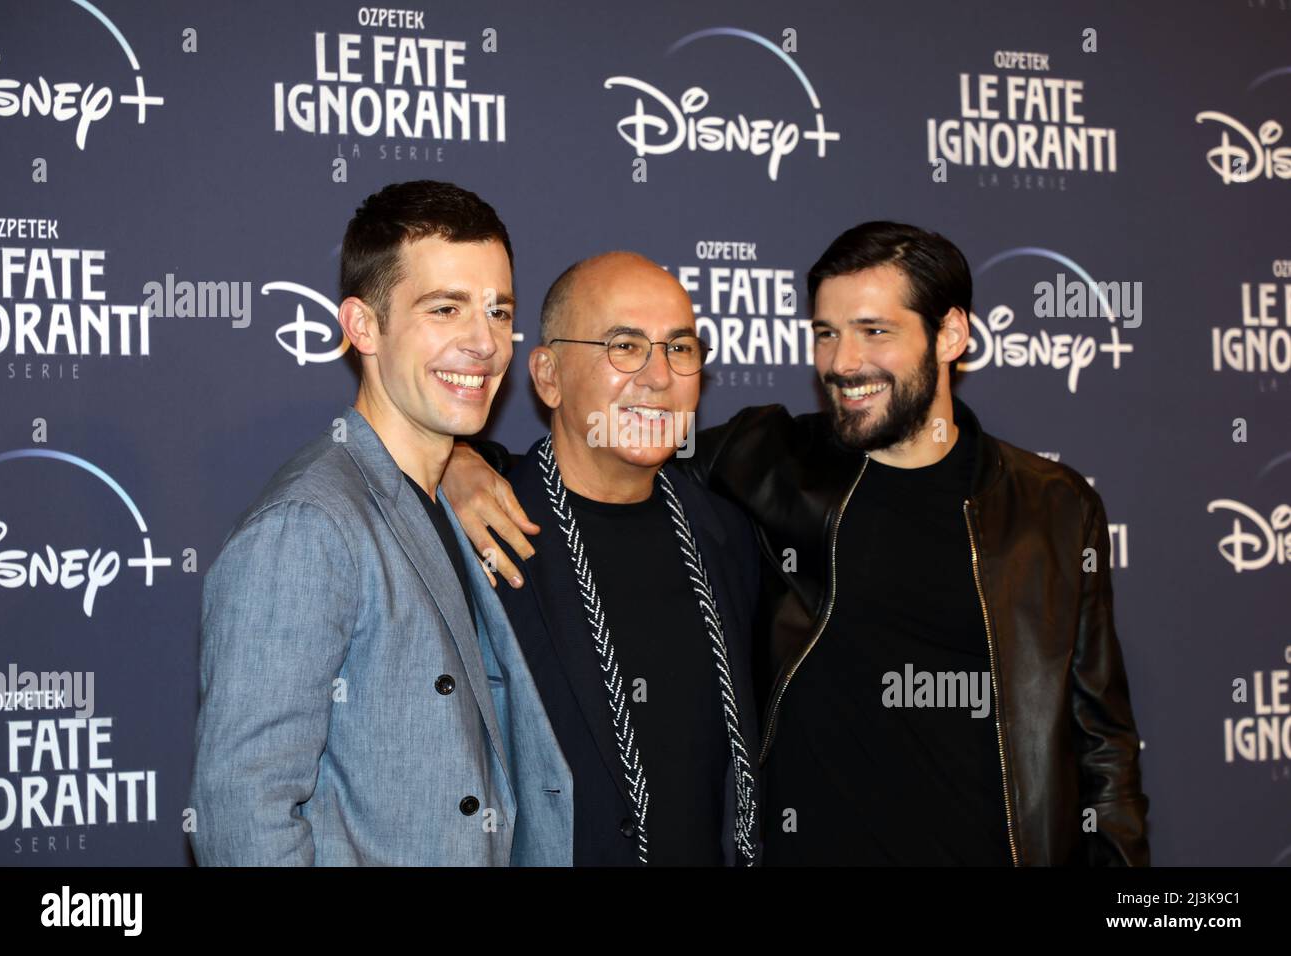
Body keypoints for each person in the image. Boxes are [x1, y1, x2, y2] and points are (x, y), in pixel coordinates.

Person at [443, 221, 1149, 866]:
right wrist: (456, 460)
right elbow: (608, 447)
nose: (844, 362)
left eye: (874, 331)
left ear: (952, 335)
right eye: (827, 333)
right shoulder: (772, 463)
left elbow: (1103, 747)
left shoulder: (1052, 507)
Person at [189, 180, 572, 866]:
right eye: (445, 308)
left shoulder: (443, 500)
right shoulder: (308, 527)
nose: (483, 343)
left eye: (497, 310)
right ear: (363, 325)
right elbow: (241, 819)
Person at [481, 251, 761, 865]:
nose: (659, 376)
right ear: (548, 376)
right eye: (625, 346)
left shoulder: (729, 537)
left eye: (680, 348)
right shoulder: (482, 538)